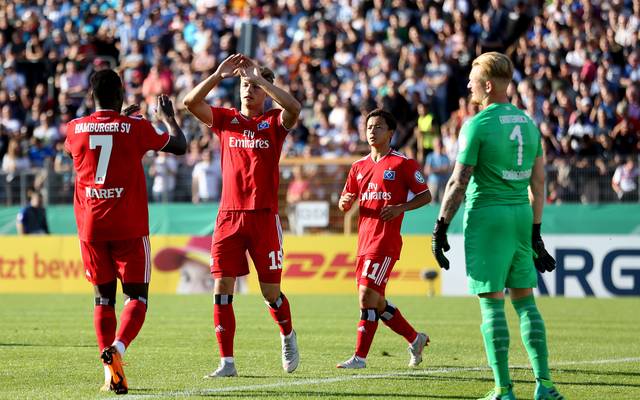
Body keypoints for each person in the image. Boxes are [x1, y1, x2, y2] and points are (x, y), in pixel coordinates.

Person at [431, 52, 564, 400]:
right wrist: (536, 232)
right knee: (526, 303)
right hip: (521, 215)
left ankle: (504, 389)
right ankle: (545, 385)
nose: (468, 84)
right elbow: (539, 183)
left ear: (488, 86)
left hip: (487, 216)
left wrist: (441, 225)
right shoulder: (529, 124)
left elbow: (458, 181)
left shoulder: (476, 125)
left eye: (473, 79)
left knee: (491, 306)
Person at [65, 69, 186, 395]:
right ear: (121, 95)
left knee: (103, 299)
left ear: (91, 96)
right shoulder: (136, 128)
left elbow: (78, 147)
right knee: (136, 297)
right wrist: (167, 118)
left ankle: (110, 374)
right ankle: (117, 348)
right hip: (128, 226)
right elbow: (180, 145)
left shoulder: (74, 128)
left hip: (91, 227)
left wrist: (118, 120)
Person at [183, 53, 302, 377]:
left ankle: (287, 334)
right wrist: (218, 75)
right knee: (222, 288)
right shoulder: (226, 120)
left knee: (270, 293)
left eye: (254, 86)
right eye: (245, 86)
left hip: (263, 218)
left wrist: (259, 77)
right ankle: (227, 363)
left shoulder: (274, 123)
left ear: (265, 91)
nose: (249, 90)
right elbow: (190, 103)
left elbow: (294, 108)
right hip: (228, 218)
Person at [337, 109, 432, 369]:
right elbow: (345, 200)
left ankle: (359, 358)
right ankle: (415, 339)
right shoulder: (358, 167)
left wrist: (401, 208)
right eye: (369, 127)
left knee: (366, 296)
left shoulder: (402, 163)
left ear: (390, 133)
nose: (372, 131)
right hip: (363, 242)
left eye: (378, 127)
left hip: (385, 241)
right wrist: (344, 203)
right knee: (377, 303)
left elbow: (425, 195)